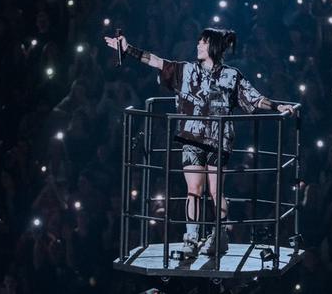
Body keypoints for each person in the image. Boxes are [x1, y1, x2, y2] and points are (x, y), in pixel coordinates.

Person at [104, 28, 295, 257]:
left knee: (216, 191)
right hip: (191, 137)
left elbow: (254, 97)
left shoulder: (231, 76)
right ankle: (191, 238)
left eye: (203, 43)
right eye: (199, 42)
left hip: (218, 139)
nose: (198, 45)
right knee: (193, 189)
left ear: (213, 46)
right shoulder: (185, 70)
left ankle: (219, 234)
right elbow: (156, 61)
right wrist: (128, 49)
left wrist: (277, 106)